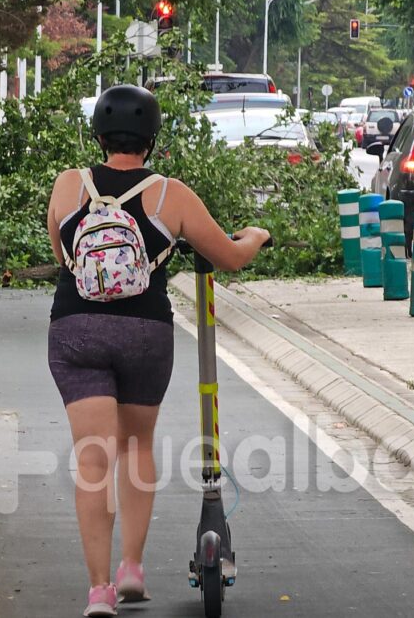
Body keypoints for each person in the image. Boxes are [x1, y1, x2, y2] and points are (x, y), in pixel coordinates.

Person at [45, 84, 270, 617]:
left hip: (76, 329)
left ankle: (99, 591)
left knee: (93, 456)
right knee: (136, 445)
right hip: (145, 334)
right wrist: (256, 236)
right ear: (152, 138)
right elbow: (229, 257)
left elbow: (62, 254)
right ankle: (131, 569)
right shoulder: (171, 195)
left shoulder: (68, 185)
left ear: (99, 135)